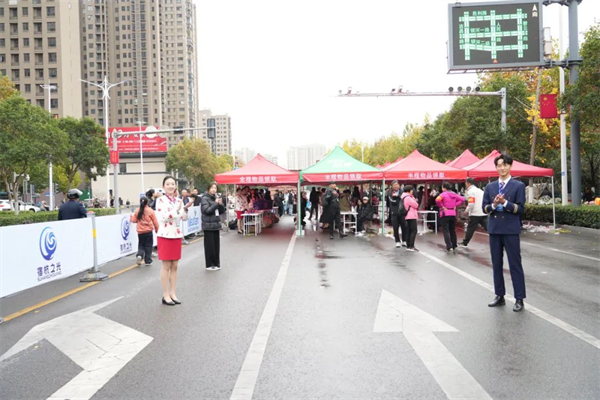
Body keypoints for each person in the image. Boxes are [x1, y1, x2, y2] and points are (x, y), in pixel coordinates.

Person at [483, 153, 527, 312]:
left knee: (515, 264)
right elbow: (485, 208)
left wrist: (505, 203)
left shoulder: (518, 186)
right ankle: (499, 295)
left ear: (510, 166)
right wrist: (494, 205)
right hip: (495, 229)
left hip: (511, 229)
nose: (502, 168)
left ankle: (519, 298)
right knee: (496, 264)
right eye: (499, 165)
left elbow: (520, 209)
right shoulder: (490, 187)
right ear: (496, 167)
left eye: (505, 165)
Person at [155, 176, 192, 306]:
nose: (170, 186)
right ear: (163, 186)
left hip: (176, 235)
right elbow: (164, 217)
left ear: (175, 186)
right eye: (168, 184)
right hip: (165, 235)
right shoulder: (160, 200)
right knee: (166, 266)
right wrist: (177, 210)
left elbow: (184, 218)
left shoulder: (178, 200)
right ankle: (165, 295)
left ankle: (173, 293)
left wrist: (185, 209)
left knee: (175, 266)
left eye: (172, 184)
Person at [201, 183, 226, 271]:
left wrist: (221, 204)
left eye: (215, 188)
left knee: (216, 246)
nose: (213, 189)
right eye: (212, 188)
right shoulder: (204, 198)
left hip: (216, 225)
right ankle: (209, 264)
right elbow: (206, 211)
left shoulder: (215, 198)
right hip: (208, 226)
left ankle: (216, 263)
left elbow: (222, 211)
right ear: (208, 189)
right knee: (209, 246)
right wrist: (215, 203)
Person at [436, 182, 465, 253]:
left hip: (445, 213)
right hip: (453, 213)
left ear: (444, 188)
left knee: (446, 230)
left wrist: (442, 206)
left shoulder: (443, 194)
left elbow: (437, 200)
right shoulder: (454, 194)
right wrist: (455, 204)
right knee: (452, 230)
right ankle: (454, 244)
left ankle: (449, 246)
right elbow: (462, 199)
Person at [130, 196, 159, 266]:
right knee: (148, 246)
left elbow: (134, 220)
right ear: (147, 202)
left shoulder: (137, 210)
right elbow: (155, 221)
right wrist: (157, 229)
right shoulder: (150, 211)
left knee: (141, 245)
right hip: (148, 231)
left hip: (140, 232)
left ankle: (140, 255)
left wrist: (131, 217)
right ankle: (148, 261)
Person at [460, 178, 488, 247]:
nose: (465, 184)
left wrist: (466, 210)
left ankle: (465, 242)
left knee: (470, 228)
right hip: (483, 212)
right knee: (489, 228)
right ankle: (500, 240)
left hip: (475, 213)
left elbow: (471, 203)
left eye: (466, 183)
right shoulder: (480, 190)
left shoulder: (470, 191)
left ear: (468, 183)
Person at [387, 181, 407, 248]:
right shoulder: (390, 193)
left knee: (404, 227)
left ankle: (404, 240)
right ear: (392, 186)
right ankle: (397, 241)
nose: (396, 186)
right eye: (394, 185)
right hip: (394, 213)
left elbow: (404, 200)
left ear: (399, 185)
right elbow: (393, 201)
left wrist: (398, 197)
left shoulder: (402, 192)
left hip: (402, 212)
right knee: (395, 227)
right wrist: (399, 198)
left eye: (397, 184)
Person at [402, 185, 420, 251]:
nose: (412, 191)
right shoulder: (408, 198)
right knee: (414, 230)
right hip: (411, 215)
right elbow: (416, 205)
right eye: (412, 190)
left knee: (409, 230)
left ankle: (408, 245)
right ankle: (411, 245)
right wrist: (414, 200)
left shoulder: (404, 197)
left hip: (408, 215)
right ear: (408, 191)